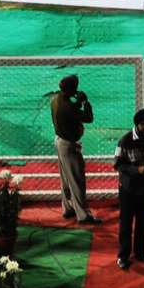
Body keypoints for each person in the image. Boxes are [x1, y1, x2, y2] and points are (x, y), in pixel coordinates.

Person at [113, 108, 144, 270]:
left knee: (142, 222)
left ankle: (140, 252)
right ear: (136, 125)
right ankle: (123, 256)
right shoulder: (124, 141)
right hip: (128, 189)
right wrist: (136, 170)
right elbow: (117, 164)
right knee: (126, 223)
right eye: (143, 125)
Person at [51, 75, 97, 223]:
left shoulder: (56, 100)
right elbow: (88, 118)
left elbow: (70, 111)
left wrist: (76, 101)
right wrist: (85, 102)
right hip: (69, 146)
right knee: (77, 179)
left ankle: (68, 207)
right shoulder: (68, 107)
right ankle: (83, 215)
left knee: (65, 179)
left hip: (59, 141)